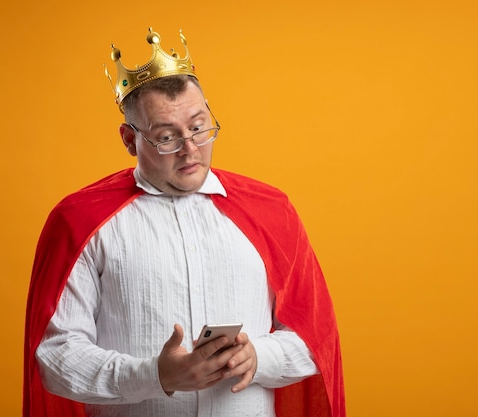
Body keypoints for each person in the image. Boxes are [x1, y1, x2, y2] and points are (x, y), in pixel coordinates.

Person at [23, 28, 345, 417]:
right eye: (166, 137)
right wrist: (156, 375)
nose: (190, 149)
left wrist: (259, 356)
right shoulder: (80, 222)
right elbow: (56, 358)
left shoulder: (272, 211)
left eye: (198, 127)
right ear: (129, 140)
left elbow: (316, 337)